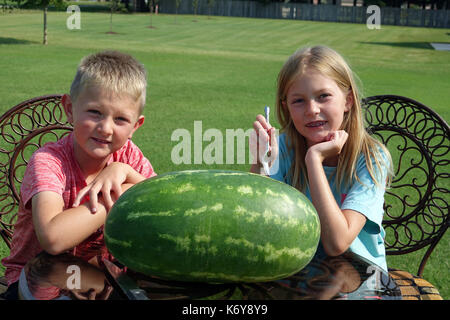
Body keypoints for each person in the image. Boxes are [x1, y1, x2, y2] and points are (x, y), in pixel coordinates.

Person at [1, 50, 156, 299]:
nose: (105, 128)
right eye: (94, 112)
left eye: (120, 119)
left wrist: (125, 172)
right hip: (36, 283)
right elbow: (53, 239)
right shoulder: (49, 161)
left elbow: (163, 200)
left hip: (105, 281)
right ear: (70, 109)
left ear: (135, 126)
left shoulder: (128, 157)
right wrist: (125, 192)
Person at [250, 46, 393, 271]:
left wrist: (314, 159)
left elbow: (337, 243)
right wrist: (259, 163)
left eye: (323, 96)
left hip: (359, 275)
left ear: (348, 101)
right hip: (295, 270)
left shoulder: (371, 158)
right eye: (298, 101)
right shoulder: (282, 149)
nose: (312, 110)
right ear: (286, 107)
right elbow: (257, 226)